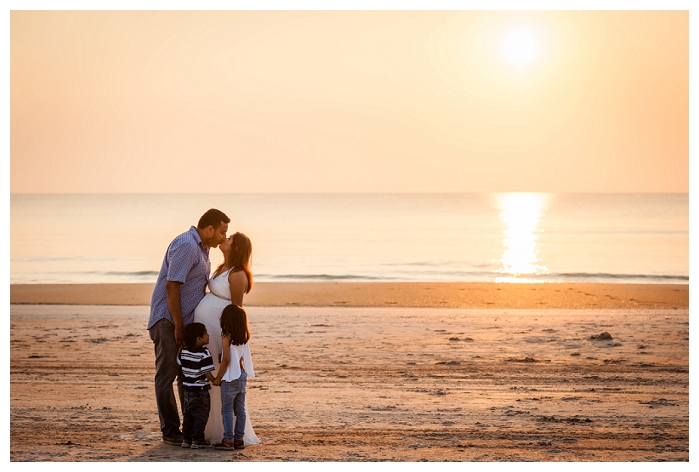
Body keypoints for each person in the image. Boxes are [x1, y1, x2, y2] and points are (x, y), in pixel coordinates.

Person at [147, 209, 230, 446]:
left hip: (182, 323)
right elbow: (172, 287)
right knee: (167, 375)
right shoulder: (187, 245)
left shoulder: (203, 249)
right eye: (222, 232)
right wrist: (179, 326)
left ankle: (190, 430)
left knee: (186, 375)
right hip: (168, 321)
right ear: (210, 228)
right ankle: (170, 430)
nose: (224, 237)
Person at [193, 232, 260, 445]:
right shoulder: (223, 267)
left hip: (219, 330)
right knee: (208, 375)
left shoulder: (238, 274)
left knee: (222, 377)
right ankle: (211, 428)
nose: (225, 239)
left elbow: (237, 311)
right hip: (208, 330)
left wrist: (230, 343)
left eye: (230, 238)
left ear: (237, 248)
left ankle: (227, 434)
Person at [212, 304, 255, 450]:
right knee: (240, 410)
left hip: (230, 377)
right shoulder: (243, 336)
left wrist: (218, 378)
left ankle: (228, 440)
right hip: (241, 376)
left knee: (227, 410)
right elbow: (240, 359)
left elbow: (226, 361)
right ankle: (239, 439)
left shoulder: (226, 337)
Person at [177, 323, 216, 449]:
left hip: (187, 391)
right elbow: (206, 371)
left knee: (188, 416)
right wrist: (215, 380)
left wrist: (182, 346)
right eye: (205, 334)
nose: (208, 336)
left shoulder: (183, 351)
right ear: (199, 339)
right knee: (201, 416)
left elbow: (179, 361)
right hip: (200, 391)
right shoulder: (204, 353)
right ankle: (198, 440)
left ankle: (186, 439)